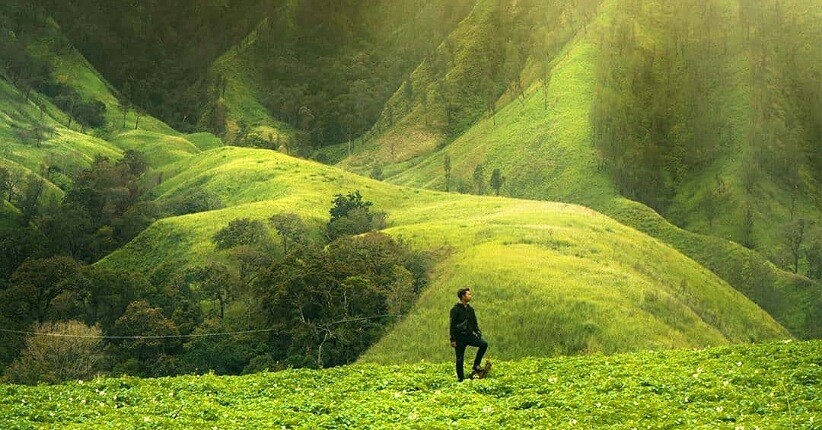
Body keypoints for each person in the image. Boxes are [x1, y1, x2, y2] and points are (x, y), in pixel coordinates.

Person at [449, 287, 488, 381]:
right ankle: (461, 379)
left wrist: (477, 332)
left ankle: (476, 365)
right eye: (468, 294)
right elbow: (452, 325)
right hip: (459, 338)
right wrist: (452, 339)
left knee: (483, 344)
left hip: (469, 336)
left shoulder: (470, 309)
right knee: (459, 359)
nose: (470, 296)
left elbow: (474, 323)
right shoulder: (455, 309)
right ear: (463, 296)